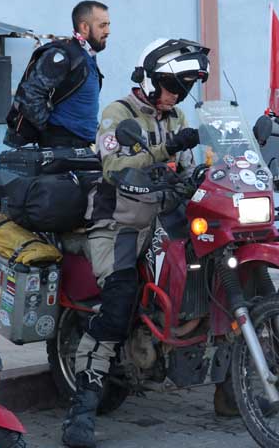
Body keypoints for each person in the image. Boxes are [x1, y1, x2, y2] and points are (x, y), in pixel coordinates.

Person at [61, 38, 209, 448]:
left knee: (212, 274)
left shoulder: (177, 115)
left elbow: (189, 167)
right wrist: (166, 149)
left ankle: (236, 388)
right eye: (170, 84)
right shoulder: (118, 114)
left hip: (166, 217)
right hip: (118, 224)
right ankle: (82, 411)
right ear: (148, 78)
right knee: (119, 302)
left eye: (182, 87)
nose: (176, 94)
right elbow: (114, 167)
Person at [4, 0, 110, 148]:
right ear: (84, 27)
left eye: (108, 25)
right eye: (102, 25)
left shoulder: (87, 55)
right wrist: (51, 131)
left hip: (85, 146)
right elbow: (30, 94)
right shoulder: (62, 55)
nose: (107, 31)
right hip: (62, 148)